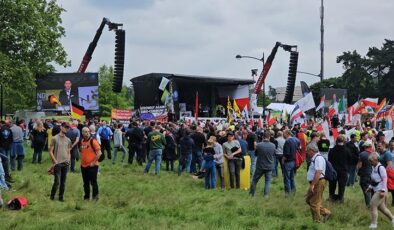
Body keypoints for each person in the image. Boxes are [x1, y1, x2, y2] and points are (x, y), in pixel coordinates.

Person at [366, 152, 394, 229]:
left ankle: (374, 224)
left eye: (371, 161)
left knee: (372, 205)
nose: (370, 162)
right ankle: (393, 219)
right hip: (376, 189)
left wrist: (383, 190)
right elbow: (375, 180)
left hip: (381, 190)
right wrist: (370, 187)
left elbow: (384, 179)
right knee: (382, 208)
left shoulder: (380, 168)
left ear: (376, 160)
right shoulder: (373, 167)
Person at [305, 142, 331, 223]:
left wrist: (312, 185)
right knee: (309, 200)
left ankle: (317, 222)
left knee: (314, 203)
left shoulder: (318, 158)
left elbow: (318, 172)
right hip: (316, 182)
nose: (307, 152)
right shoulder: (315, 158)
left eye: (307, 151)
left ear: (312, 150)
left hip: (318, 182)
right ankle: (326, 213)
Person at [49, 122, 72, 201]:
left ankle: (61, 197)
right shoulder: (55, 138)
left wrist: (68, 160)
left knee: (63, 182)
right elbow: (50, 151)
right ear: (61, 127)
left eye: (68, 127)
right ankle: (52, 196)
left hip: (65, 163)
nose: (67, 128)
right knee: (57, 181)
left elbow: (69, 151)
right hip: (57, 164)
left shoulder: (68, 140)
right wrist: (55, 161)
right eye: (65, 127)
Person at [249, 131, 276, 198]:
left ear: (262, 137)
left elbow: (256, 154)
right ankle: (266, 195)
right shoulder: (273, 145)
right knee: (267, 181)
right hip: (269, 166)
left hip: (260, 166)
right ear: (269, 137)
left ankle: (251, 194)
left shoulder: (259, 145)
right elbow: (273, 154)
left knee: (254, 180)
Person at [79, 127, 102, 201]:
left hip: (92, 166)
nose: (87, 133)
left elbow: (99, 153)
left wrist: (93, 162)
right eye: (85, 131)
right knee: (85, 183)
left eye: (88, 131)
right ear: (82, 132)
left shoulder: (93, 141)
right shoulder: (82, 141)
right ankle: (86, 197)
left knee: (93, 182)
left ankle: (95, 197)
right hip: (83, 166)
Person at [328, 135, 351, 203]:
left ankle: (331, 197)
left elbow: (329, 160)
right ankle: (340, 199)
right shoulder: (347, 150)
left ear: (336, 141)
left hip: (334, 170)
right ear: (344, 141)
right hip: (343, 170)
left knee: (332, 185)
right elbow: (350, 159)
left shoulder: (332, 150)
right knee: (342, 186)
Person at [282, 129, 299, 196]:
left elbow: (287, 153)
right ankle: (293, 191)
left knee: (286, 178)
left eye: (283, 133)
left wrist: (283, 160)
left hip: (288, 162)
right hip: (293, 161)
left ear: (287, 133)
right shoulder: (295, 140)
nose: (283, 135)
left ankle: (287, 194)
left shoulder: (287, 141)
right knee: (292, 178)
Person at [357, 140, 374, 207]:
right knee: (372, 189)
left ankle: (369, 205)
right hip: (373, 174)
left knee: (366, 190)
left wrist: (358, 171)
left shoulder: (362, 154)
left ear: (365, 147)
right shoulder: (374, 153)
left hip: (365, 174)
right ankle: (374, 203)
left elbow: (359, 166)